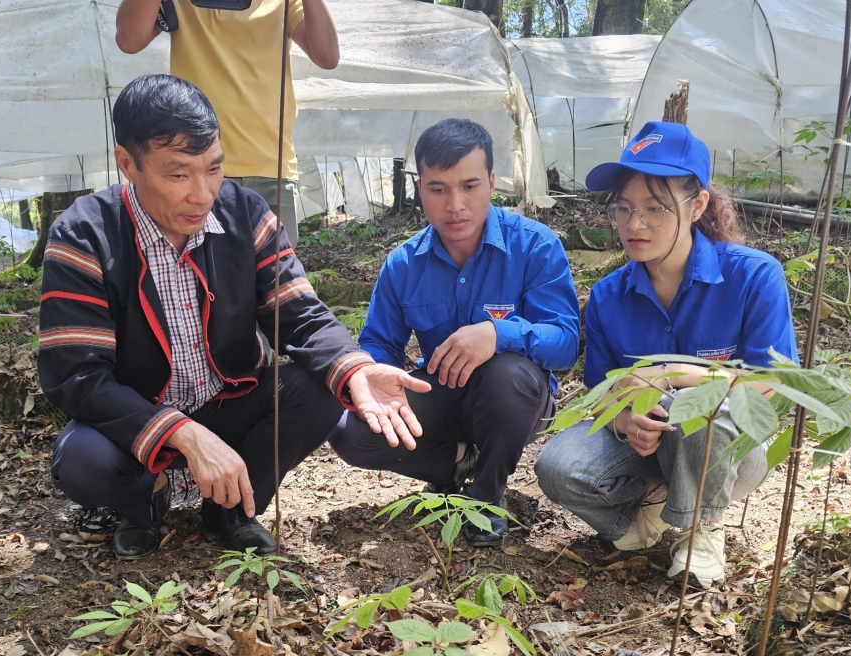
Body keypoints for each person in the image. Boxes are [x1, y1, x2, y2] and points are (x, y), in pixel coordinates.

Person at [40, 75, 428, 559]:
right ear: (128, 164)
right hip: (138, 415)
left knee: (321, 391)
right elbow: (78, 375)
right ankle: (143, 502)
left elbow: (299, 314)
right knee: (82, 460)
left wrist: (356, 368)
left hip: (228, 401)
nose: (202, 194)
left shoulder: (245, 214)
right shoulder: (84, 234)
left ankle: (230, 510)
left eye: (214, 169)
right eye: (179, 174)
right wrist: (178, 430)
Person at [535, 121, 799, 588]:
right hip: (646, 453)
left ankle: (701, 529)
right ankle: (648, 516)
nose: (635, 225)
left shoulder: (754, 277)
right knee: (558, 467)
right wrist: (623, 421)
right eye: (624, 208)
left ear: (697, 205)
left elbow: (774, 381)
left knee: (691, 410)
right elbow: (601, 390)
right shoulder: (608, 295)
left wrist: (675, 372)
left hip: (733, 454)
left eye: (655, 209)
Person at [330, 119, 580, 547]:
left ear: (491, 182)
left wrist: (499, 334)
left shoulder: (534, 246)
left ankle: (487, 498)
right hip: (442, 392)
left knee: (508, 375)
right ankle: (458, 463)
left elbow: (564, 343)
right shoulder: (405, 263)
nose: (455, 205)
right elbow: (378, 344)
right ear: (420, 188)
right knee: (350, 431)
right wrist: (375, 377)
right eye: (438, 188)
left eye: (469, 186)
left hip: (517, 400)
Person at [115, 0, 340, 249]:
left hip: (269, 167)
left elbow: (327, 56)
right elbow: (129, 39)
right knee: (194, 276)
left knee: (274, 278)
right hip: (195, 169)